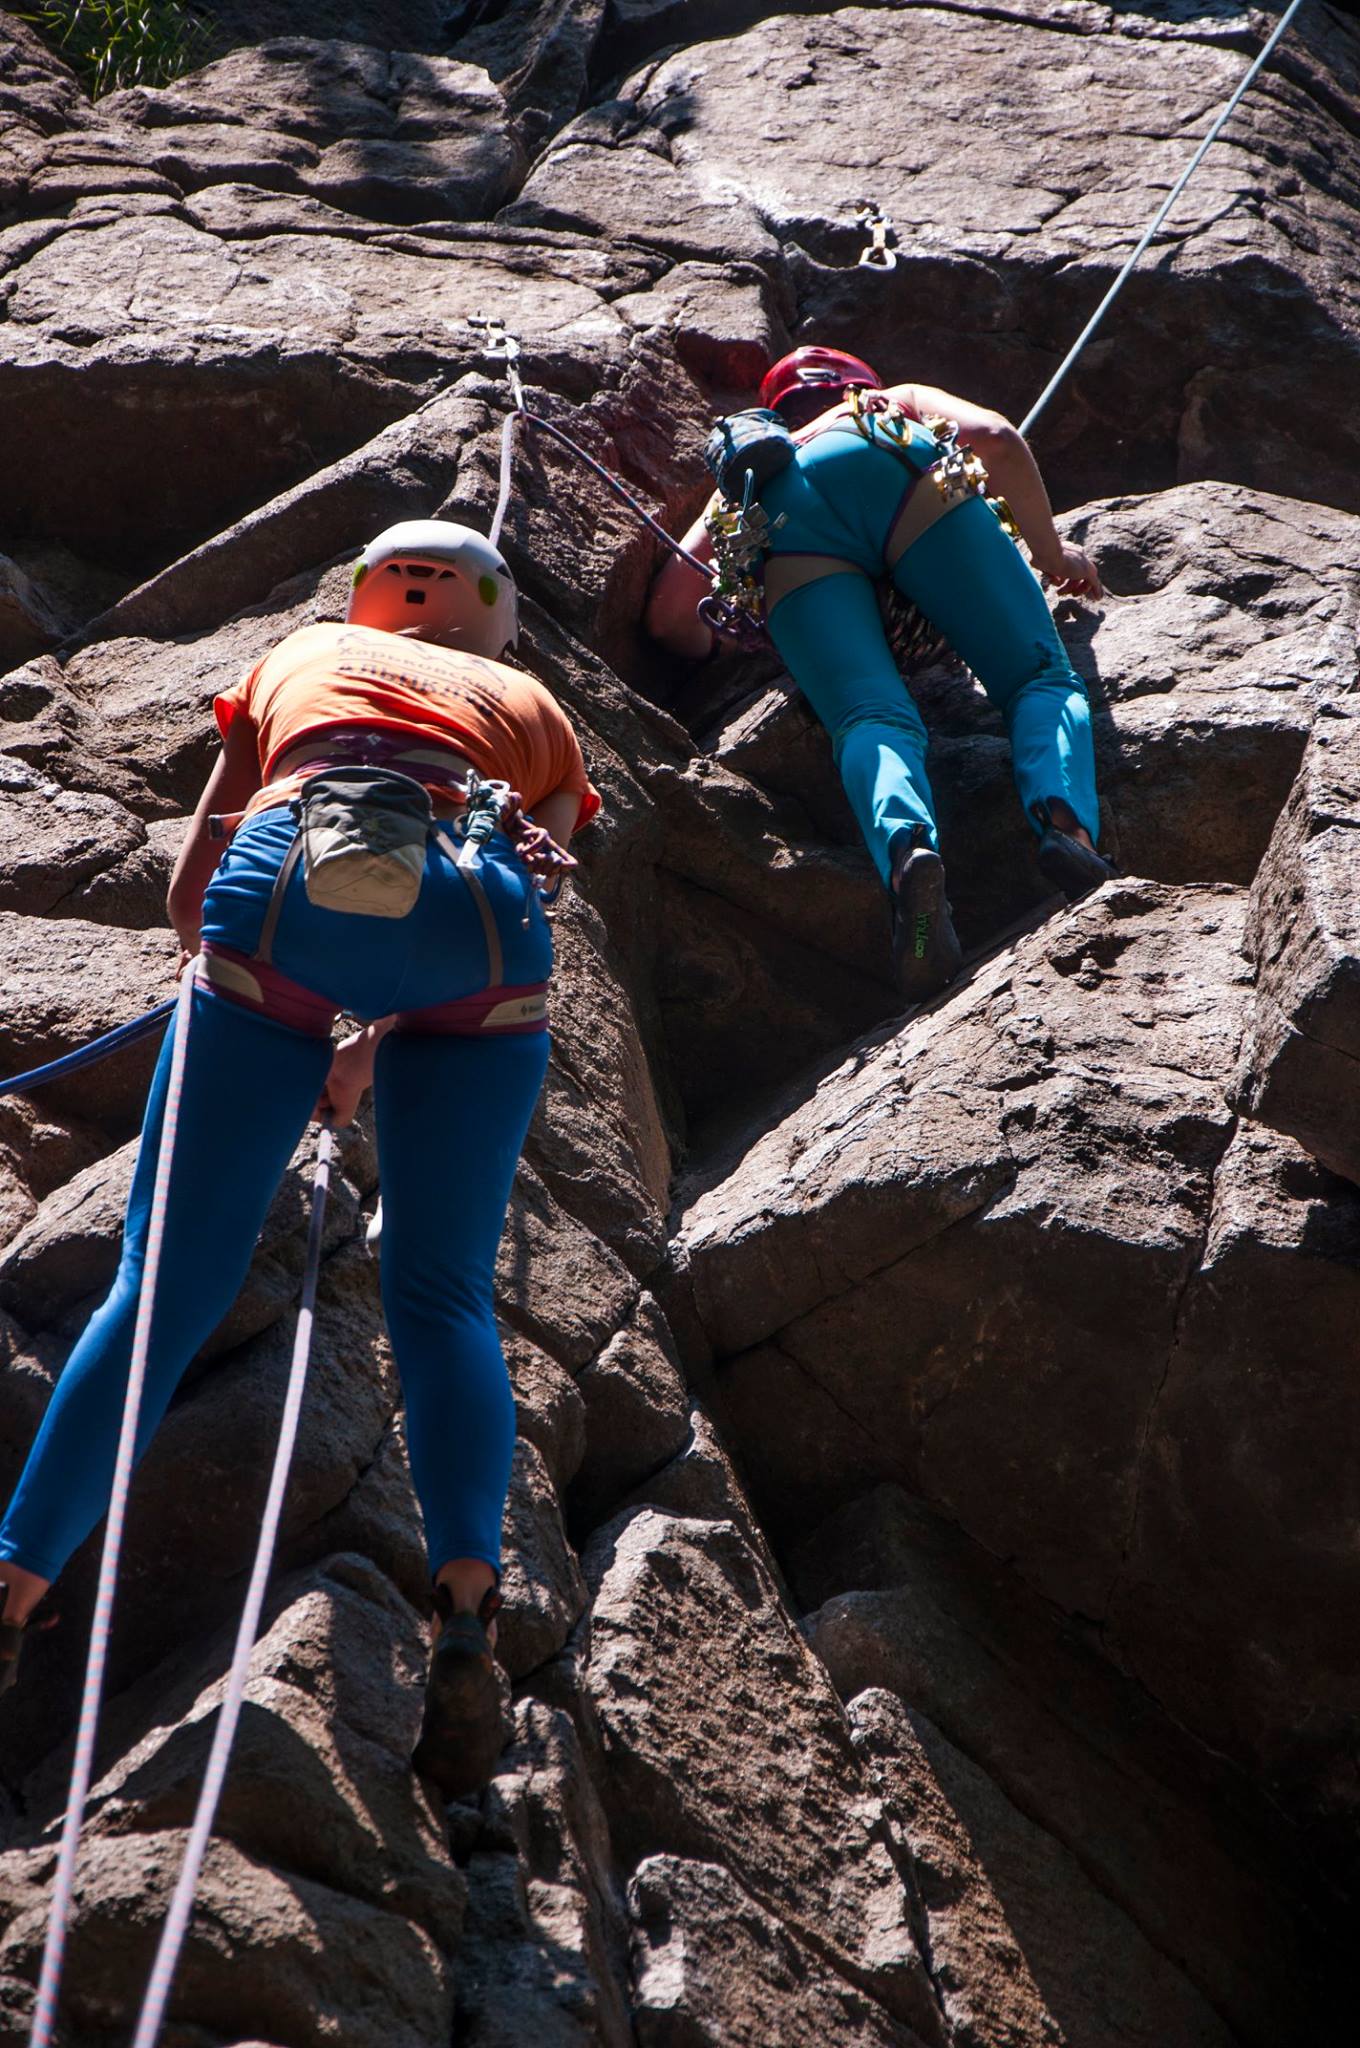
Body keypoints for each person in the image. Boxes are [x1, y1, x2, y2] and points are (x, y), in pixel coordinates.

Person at [0, 520, 599, 1798]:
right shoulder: (530, 698)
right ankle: (465, 1608)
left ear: (375, 599)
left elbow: (194, 881)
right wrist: (372, 1041)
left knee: (164, 1284)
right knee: (444, 1297)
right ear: (491, 617)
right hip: (480, 930)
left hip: (288, 882)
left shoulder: (308, 649)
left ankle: (13, 1586)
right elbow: (539, 867)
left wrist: (260, 1002)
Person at [645, 345, 1114, 1000]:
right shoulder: (892, 402)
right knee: (1037, 678)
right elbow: (996, 439)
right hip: (891, 462)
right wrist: (1051, 553)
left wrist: (765, 633)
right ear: (859, 381)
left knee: (868, 717)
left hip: (783, 526)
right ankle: (1068, 832)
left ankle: (907, 859)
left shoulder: (748, 481)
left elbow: (671, 616)